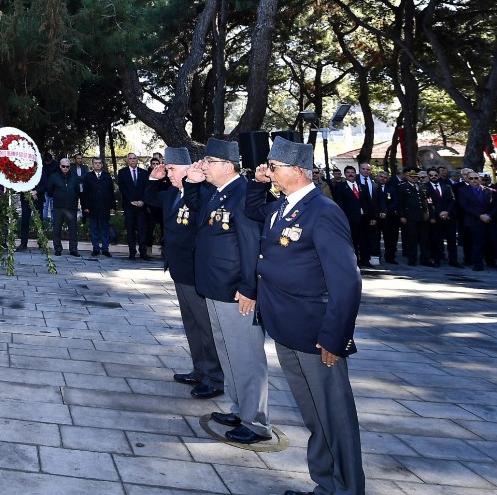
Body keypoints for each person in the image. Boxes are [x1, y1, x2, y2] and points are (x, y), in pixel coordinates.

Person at [247, 138, 365, 495]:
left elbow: (346, 280)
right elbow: (256, 223)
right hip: (286, 328)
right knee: (314, 415)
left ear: (296, 171)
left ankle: (346, 489)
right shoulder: (281, 207)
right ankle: (326, 484)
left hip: (316, 334)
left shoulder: (323, 211)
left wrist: (335, 336)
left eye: (274, 166)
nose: (269, 172)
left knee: (334, 417)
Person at [187, 138, 272, 445]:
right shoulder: (217, 193)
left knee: (246, 356)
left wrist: (250, 287)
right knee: (228, 352)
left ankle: (257, 422)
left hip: (236, 290)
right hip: (215, 287)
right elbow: (199, 219)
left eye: (208, 161)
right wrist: (194, 185)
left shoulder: (244, 192)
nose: (203, 166)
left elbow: (252, 244)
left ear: (227, 165)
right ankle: (240, 409)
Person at [147, 148, 224, 399]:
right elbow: (149, 200)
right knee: (191, 323)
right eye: (167, 170)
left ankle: (215, 377)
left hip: (195, 270)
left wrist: (194, 182)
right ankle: (199, 370)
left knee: (205, 325)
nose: (167, 173)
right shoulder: (171, 194)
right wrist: (153, 179)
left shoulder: (202, 194)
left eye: (170, 169)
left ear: (185, 169)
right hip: (178, 268)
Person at [457, 168, 494, 271]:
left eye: (476, 178)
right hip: (473, 221)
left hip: (488, 220)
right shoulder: (463, 190)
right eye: (471, 178)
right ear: (468, 180)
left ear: (480, 178)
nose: (474, 180)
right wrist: (479, 216)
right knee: (476, 244)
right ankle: (477, 263)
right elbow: (464, 206)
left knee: (490, 242)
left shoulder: (488, 190)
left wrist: (489, 215)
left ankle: (491, 261)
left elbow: (495, 206)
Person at [81, 156, 116, 257]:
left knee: (105, 228)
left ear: (102, 164)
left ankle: (105, 248)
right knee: (94, 228)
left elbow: (111, 192)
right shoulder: (88, 176)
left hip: (105, 206)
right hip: (92, 206)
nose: (97, 164)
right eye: (95, 163)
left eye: (99, 163)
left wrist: (112, 207)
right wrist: (86, 206)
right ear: (92, 164)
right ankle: (96, 248)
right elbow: (85, 193)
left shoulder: (107, 176)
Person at [45, 157, 81, 256]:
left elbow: (77, 190)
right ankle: (58, 248)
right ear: (60, 166)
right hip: (58, 207)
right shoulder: (54, 176)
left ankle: (73, 249)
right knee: (57, 228)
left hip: (71, 207)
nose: (65, 168)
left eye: (67, 166)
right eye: (63, 166)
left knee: (73, 229)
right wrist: (58, 197)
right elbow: (49, 190)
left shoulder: (74, 176)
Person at [118, 152, 150, 260]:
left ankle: (143, 252)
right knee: (130, 230)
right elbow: (122, 189)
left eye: (134, 158)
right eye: (130, 158)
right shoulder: (122, 173)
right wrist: (131, 200)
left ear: (137, 160)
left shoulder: (144, 173)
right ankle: (132, 252)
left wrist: (142, 201)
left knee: (142, 230)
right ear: (127, 160)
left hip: (142, 207)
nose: (132, 160)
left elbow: (147, 189)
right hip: (129, 206)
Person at [396, 168, 429, 266]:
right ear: (407, 177)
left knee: (424, 239)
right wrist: (402, 216)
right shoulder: (403, 187)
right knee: (412, 239)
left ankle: (425, 259)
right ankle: (412, 259)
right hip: (410, 216)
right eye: (411, 176)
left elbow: (424, 201)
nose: (414, 178)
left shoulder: (421, 186)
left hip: (422, 216)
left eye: (416, 177)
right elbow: (400, 203)